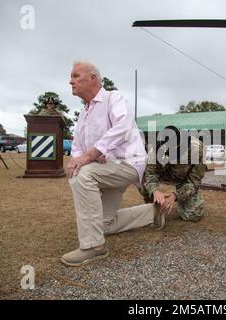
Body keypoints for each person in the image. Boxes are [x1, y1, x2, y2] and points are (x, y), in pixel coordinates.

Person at [61, 61, 164, 267]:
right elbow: (78, 147)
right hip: (106, 169)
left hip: (128, 164)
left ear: (93, 78)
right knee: (104, 224)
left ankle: (93, 246)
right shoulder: (84, 113)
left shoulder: (112, 98)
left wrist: (92, 154)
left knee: (83, 175)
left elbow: (123, 127)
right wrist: (77, 160)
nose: (70, 81)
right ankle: (153, 213)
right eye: (71, 77)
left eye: (75, 76)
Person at [139, 126, 207, 222]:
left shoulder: (197, 149)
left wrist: (176, 195)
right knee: (141, 174)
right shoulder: (155, 149)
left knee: (193, 215)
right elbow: (150, 173)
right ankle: (154, 203)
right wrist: (155, 191)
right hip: (164, 174)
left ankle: (182, 202)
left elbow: (194, 182)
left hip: (183, 179)